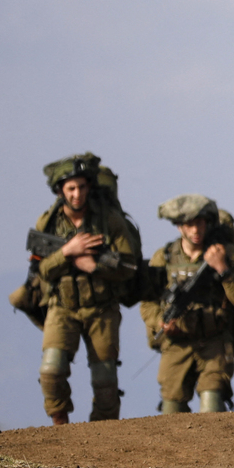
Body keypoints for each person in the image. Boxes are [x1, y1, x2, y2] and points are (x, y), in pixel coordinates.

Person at [29, 153, 140, 425]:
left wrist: (96, 266)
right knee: (51, 372)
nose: (77, 194)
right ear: (60, 191)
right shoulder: (49, 223)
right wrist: (67, 252)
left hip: (101, 309)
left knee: (105, 382)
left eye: (81, 187)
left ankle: (100, 440)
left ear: (89, 187)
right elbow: (40, 269)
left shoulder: (109, 220)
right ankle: (61, 429)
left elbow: (129, 266)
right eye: (70, 188)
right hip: (62, 307)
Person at [143, 194, 234, 413]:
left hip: (214, 342)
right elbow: (148, 302)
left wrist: (222, 269)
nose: (196, 230)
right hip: (177, 343)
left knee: (211, 406)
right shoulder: (164, 258)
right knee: (171, 410)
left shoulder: (227, 254)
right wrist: (160, 323)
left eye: (200, 223)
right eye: (189, 224)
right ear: (179, 227)